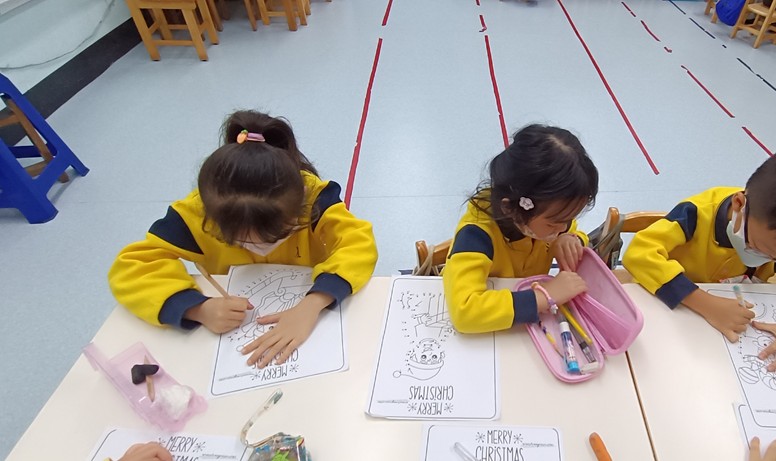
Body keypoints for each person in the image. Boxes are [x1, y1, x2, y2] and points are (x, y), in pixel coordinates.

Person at [109, 110, 378, 367]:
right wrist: (197, 309)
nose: (259, 246)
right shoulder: (194, 213)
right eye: (239, 239)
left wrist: (315, 302)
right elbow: (132, 269)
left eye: (277, 234)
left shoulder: (314, 197)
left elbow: (357, 243)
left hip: (307, 303)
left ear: (301, 205)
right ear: (210, 217)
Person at [623, 148, 776, 382]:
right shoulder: (697, 215)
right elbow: (640, 253)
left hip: (721, 339)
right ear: (739, 205)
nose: (768, 259)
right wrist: (704, 302)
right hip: (667, 313)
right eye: (757, 247)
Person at [443, 124, 599, 333]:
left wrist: (573, 239)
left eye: (569, 219)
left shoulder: (550, 216)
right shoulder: (476, 236)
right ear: (511, 209)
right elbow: (465, 312)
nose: (563, 227)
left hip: (523, 324)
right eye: (554, 223)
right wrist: (544, 296)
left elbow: (571, 229)